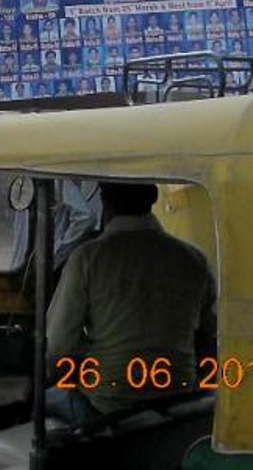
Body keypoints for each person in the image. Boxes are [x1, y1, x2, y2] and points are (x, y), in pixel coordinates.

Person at [45, 182, 216, 427]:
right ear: (154, 196)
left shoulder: (87, 258)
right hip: (178, 398)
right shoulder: (194, 259)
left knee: (43, 399)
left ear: (105, 200)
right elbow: (211, 336)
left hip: (107, 403)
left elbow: (56, 347)